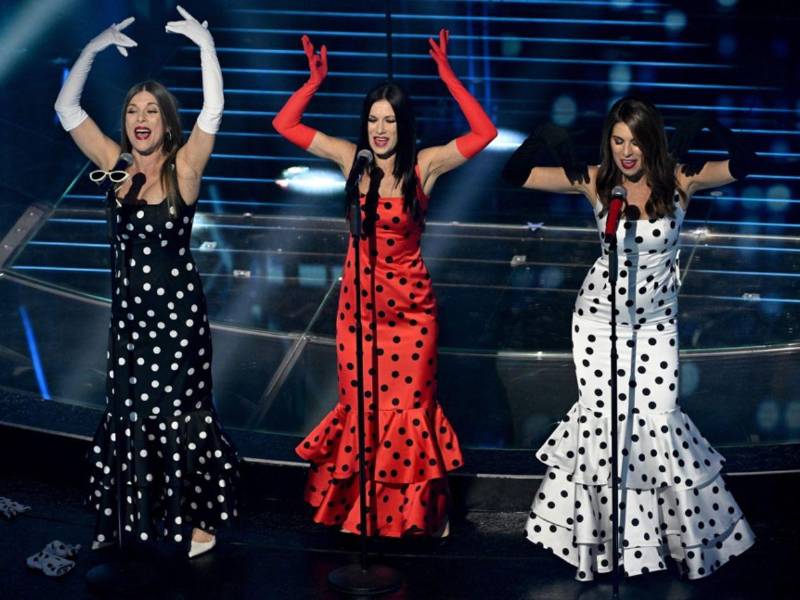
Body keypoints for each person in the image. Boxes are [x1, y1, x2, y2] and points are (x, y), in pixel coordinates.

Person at [503, 98, 755, 579]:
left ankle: (671, 542)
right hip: (599, 323)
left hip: (657, 326)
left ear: (652, 139)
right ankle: (603, 546)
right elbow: (516, 175)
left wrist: (710, 126)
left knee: (659, 422)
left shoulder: (681, 178)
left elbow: (747, 163)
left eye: (635, 141)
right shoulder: (598, 180)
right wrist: (550, 139)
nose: (626, 151)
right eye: (618, 141)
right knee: (604, 427)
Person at [273, 30, 496, 537]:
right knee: (365, 410)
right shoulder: (353, 161)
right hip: (359, 314)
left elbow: (483, 132)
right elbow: (284, 123)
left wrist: (447, 77)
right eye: (373, 119)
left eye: (389, 120)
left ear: (403, 124)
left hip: (412, 315)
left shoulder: (425, 166)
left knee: (410, 412)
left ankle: (422, 516)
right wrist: (314, 82)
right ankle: (366, 513)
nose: (379, 129)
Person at [54, 7, 239, 558]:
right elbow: (66, 107)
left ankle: (197, 526)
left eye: (151, 111)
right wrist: (92, 49)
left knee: (179, 419)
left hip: (179, 325)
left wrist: (206, 48)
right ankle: (130, 521)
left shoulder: (184, 169)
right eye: (133, 109)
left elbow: (215, 110)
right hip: (131, 326)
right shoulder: (113, 166)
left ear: (165, 122)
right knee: (130, 418)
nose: (141, 117)